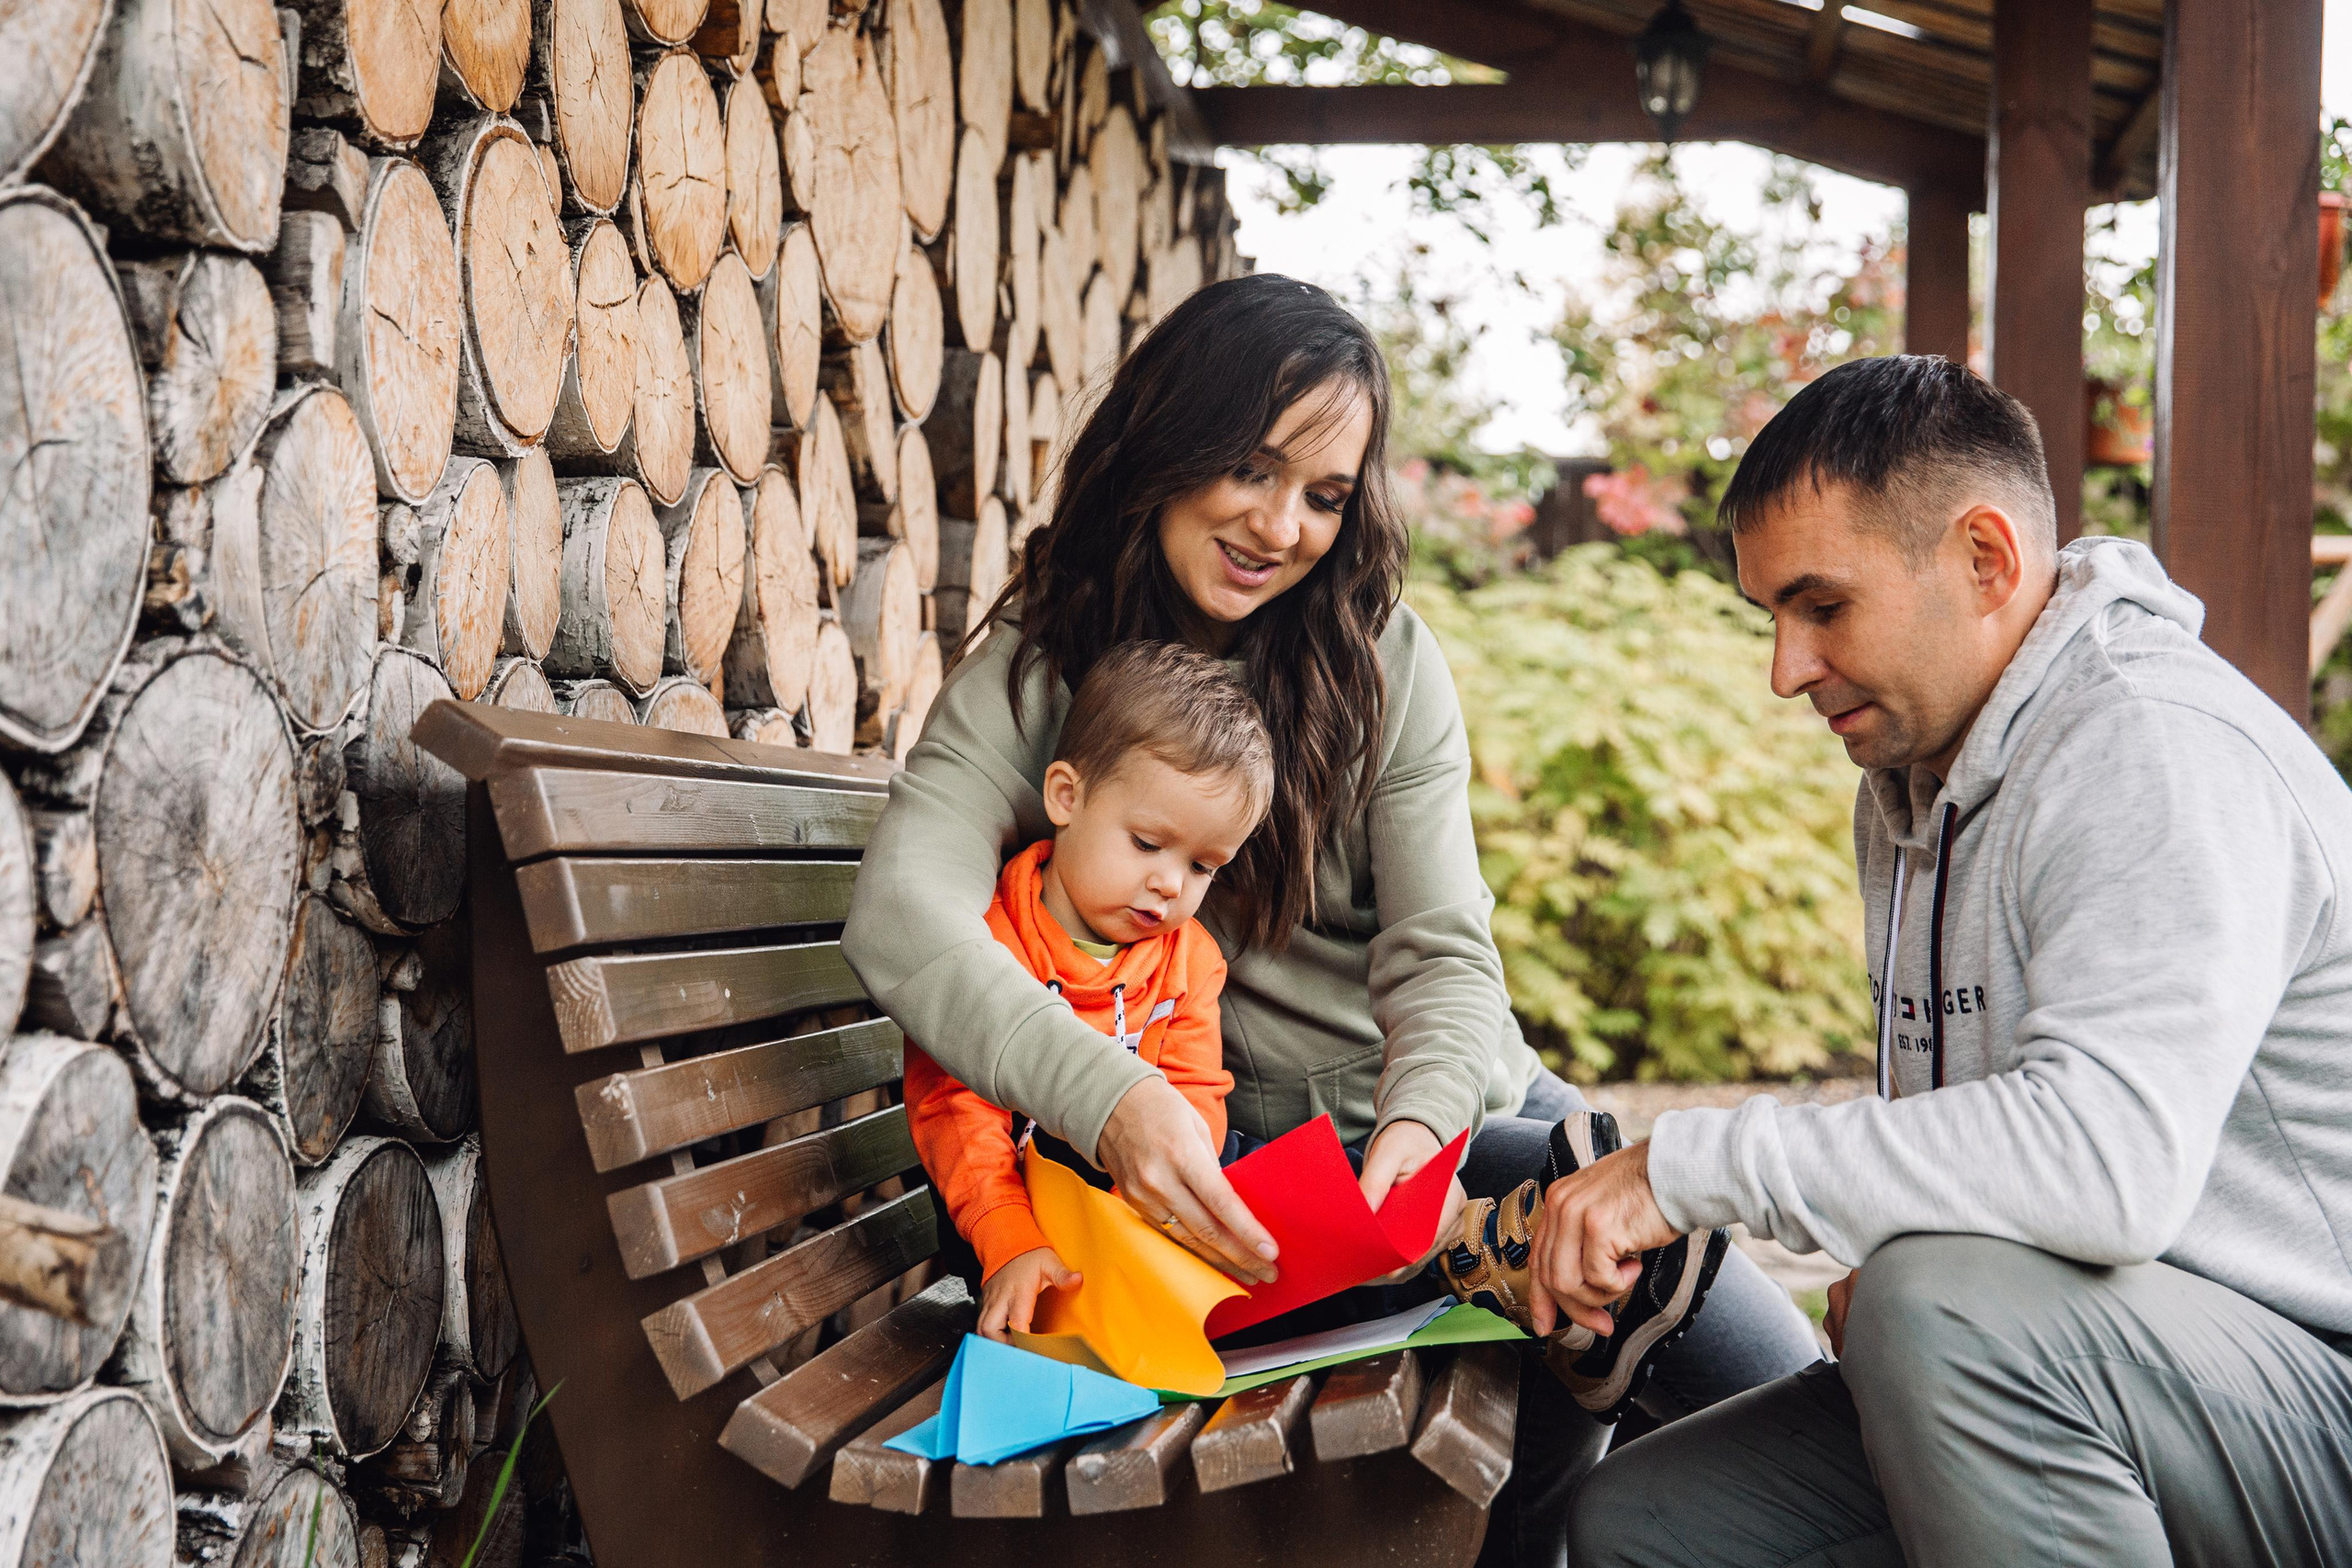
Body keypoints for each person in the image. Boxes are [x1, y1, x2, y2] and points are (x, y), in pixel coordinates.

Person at [843, 272, 1820, 1564]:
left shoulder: (1380, 661)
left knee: (1705, 1320)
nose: (1280, 526)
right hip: (1228, 1190)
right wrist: (1109, 1097)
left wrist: (1420, 1137)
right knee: (1592, 1248)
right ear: (1164, 440)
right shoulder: (1051, 652)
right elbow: (903, 907)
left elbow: (1446, 955)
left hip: (1429, 1148)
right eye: (1250, 468)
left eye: (1324, 494)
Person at [1539, 355, 2352, 1568]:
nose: (1785, 668)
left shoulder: (2150, 747)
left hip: (2316, 1387)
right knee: (1643, 1527)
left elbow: (2103, 1162)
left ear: (1986, 558)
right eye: (1773, 615)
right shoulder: (1913, 779)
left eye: (1822, 606)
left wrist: (1695, 1164)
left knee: (1945, 1309)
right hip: (2135, 1364)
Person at [902, 639, 1272, 1342]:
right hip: (1006, 1223)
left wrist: (1177, 1198)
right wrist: (1011, 1241)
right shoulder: (988, 943)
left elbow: (1196, 1097)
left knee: (1265, 1184)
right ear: (1066, 796)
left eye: (1202, 865)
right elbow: (957, 1114)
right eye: (1147, 843)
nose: (1172, 883)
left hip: (1130, 1225)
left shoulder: (1188, 958)